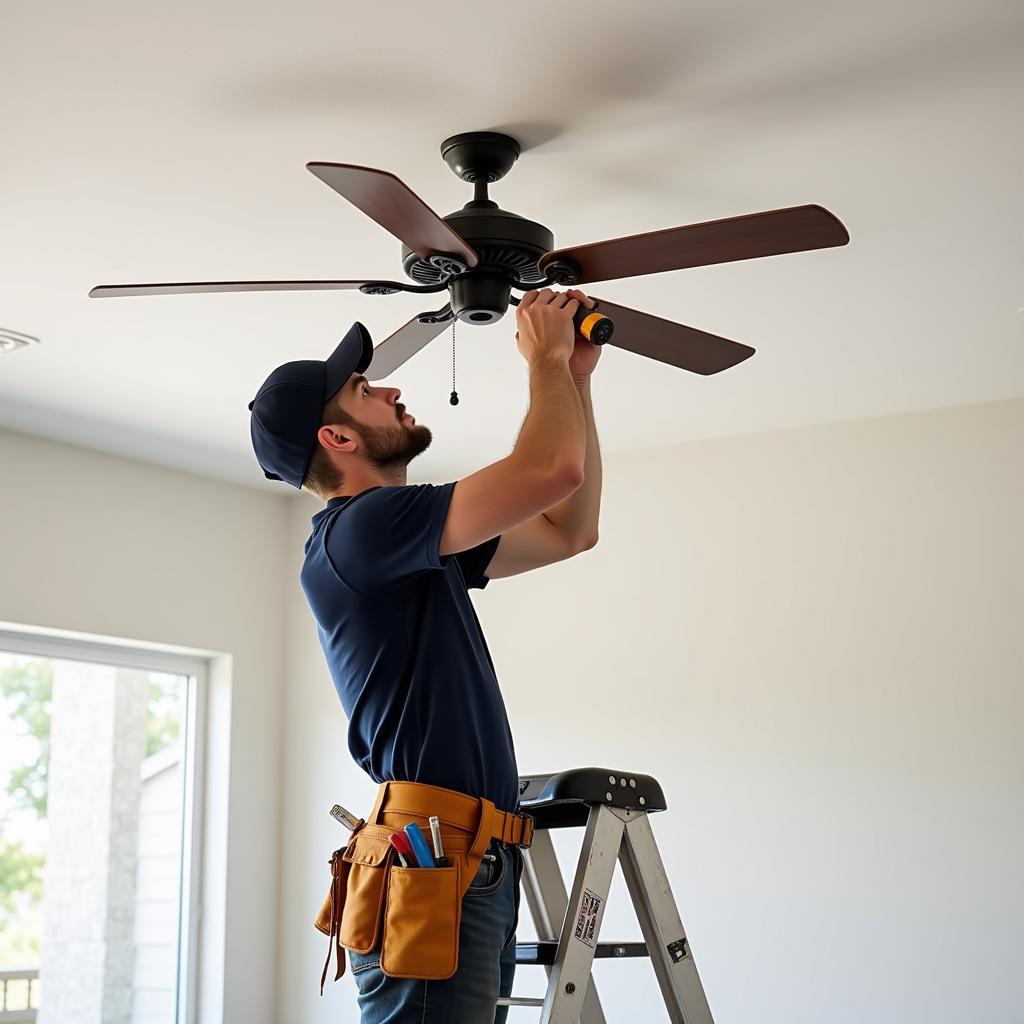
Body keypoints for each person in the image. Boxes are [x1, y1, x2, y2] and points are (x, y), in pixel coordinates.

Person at [248, 287, 603, 1022]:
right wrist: (544, 359)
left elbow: (570, 529)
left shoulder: (405, 545)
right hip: (435, 859)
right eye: (363, 390)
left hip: (463, 859)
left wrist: (573, 379)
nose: (392, 388)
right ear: (337, 439)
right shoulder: (362, 532)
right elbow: (551, 473)